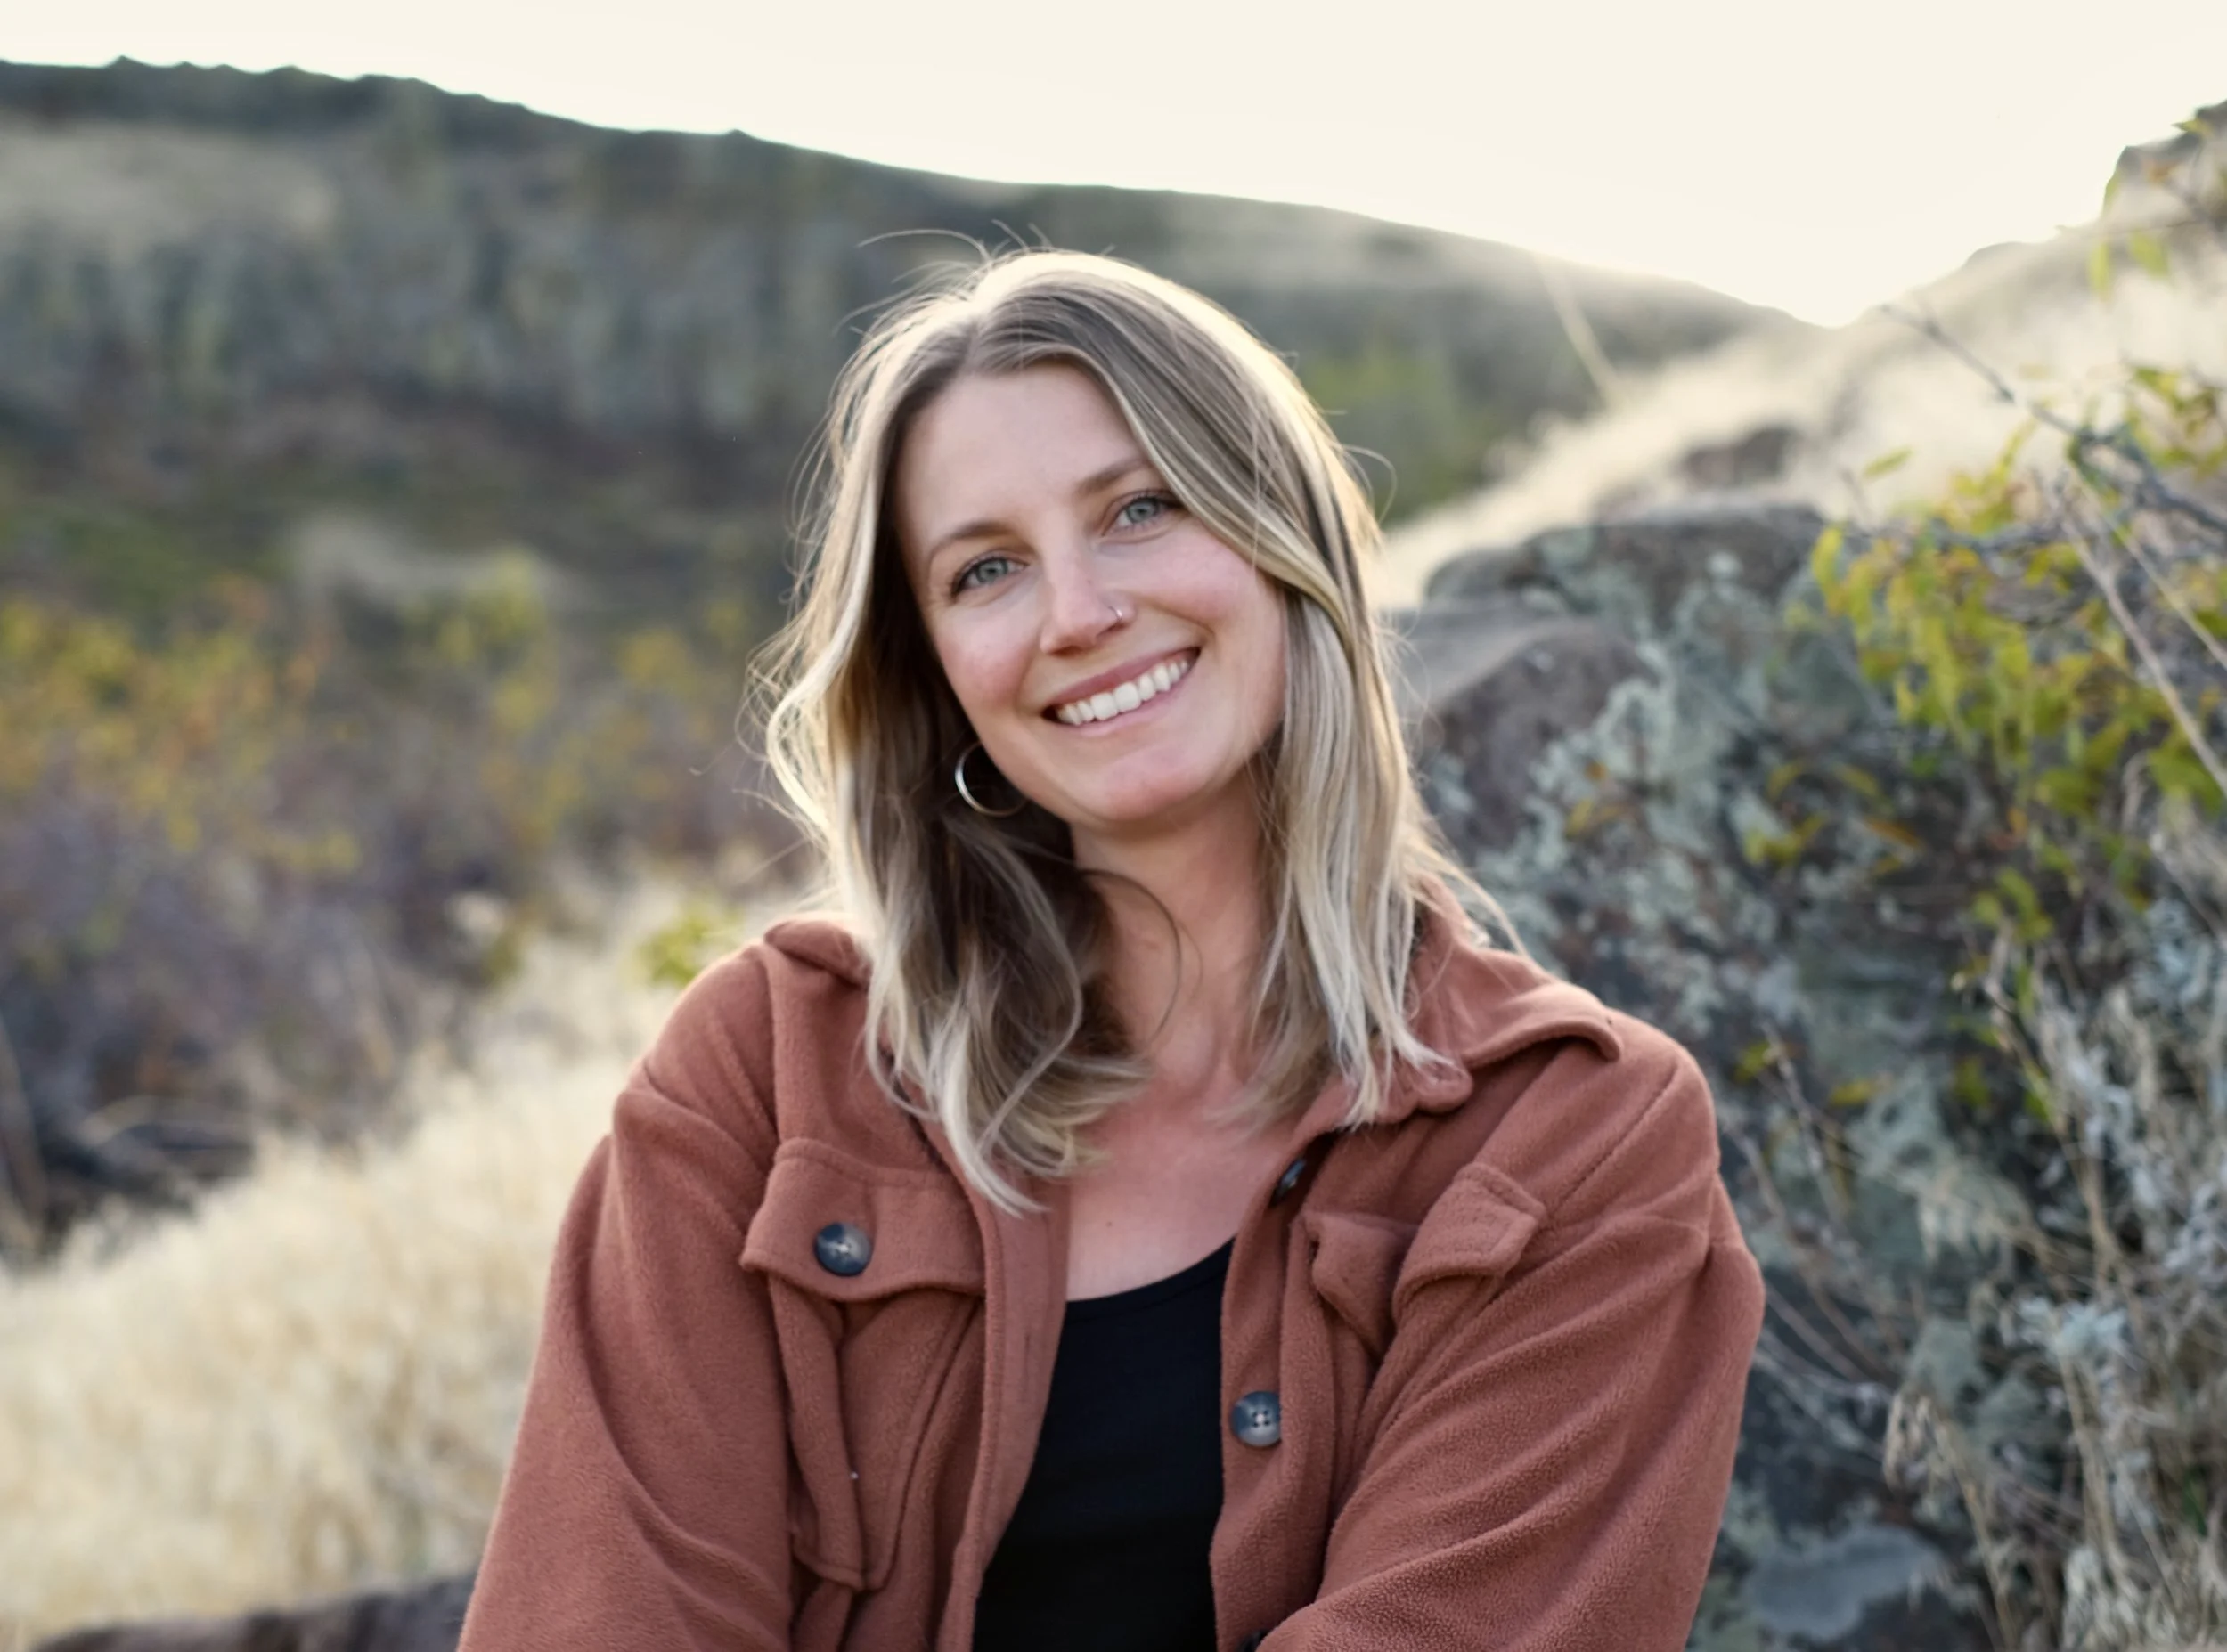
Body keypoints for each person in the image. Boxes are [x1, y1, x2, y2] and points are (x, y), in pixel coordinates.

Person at [455, 250, 1765, 1652]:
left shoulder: (1577, 1142)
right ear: (936, 674)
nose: (1077, 614)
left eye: (1139, 508)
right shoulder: (764, 1080)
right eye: (987, 570)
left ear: (1284, 540)